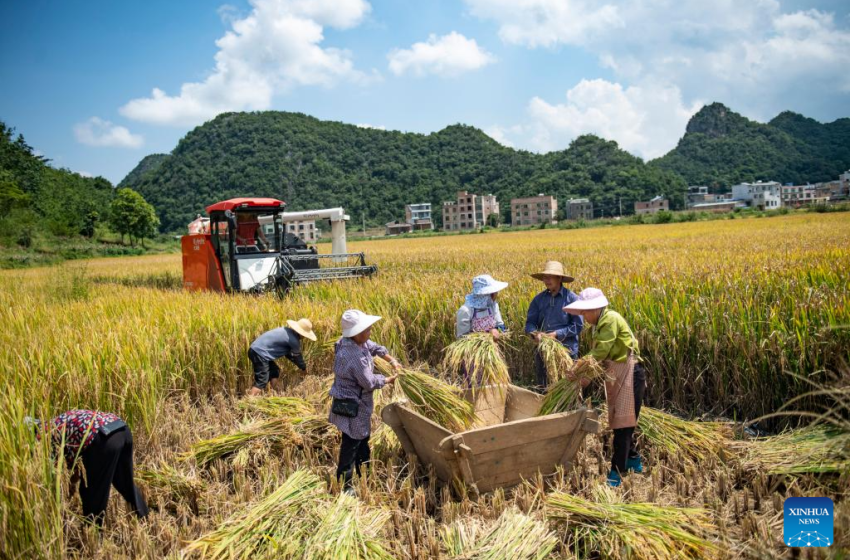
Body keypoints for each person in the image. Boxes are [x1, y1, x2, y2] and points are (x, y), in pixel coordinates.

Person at [563, 288, 646, 488]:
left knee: (623, 424)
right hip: (615, 374)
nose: (583, 316)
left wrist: (579, 367)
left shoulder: (610, 320)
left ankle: (617, 473)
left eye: (585, 312)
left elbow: (601, 351)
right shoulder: (596, 327)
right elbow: (600, 359)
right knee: (620, 420)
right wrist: (586, 377)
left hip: (630, 373)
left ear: (597, 307)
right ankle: (633, 460)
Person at [28, 409, 148, 526]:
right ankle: (145, 518)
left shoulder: (43, 438)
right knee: (125, 482)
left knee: (91, 491)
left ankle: (93, 533)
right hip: (121, 429)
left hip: (102, 438)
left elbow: (60, 475)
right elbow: (75, 465)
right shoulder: (57, 423)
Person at [328, 309, 402, 492]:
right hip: (353, 404)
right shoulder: (354, 356)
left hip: (357, 402)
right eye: (366, 330)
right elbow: (368, 382)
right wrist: (387, 380)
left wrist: (392, 360)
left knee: (362, 438)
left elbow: (374, 347)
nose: (369, 333)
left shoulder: (351, 341)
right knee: (351, 443)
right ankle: (345, 485)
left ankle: (364, 471)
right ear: (356, 333)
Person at [524, 261, 584, 391]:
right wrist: (535, 333)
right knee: (545, 387)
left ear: (560, 278)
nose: (547, 280)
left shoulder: (572, 299)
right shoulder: (538, 300)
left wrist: (557, 334)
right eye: (545, 277)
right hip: (543, 350)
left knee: (567, 388)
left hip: (567, 352)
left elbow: (577, 326)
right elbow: (530, 323)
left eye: (550, 276)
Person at [455, 274, 508, 386]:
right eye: (494, 292)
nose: (496, 295)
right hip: (473, 355)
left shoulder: (493, 305)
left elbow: (501, 326)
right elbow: (462, 338)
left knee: (495, 382)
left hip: (493, 351)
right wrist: (486, 334)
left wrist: (497, 330)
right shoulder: (465, 311)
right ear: (487, 294)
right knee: (476, 384)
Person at [246, 318, 316, 397]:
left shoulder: (286, 331)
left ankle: (276, 394)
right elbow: (297, 357)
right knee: (262, 381)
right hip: (260, 353)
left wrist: (300, 366)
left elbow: (289, 355)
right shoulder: (294, 340)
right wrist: (303, 368)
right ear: (302, 333)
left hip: (256, 350)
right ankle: (248, 401)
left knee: (274, 371)